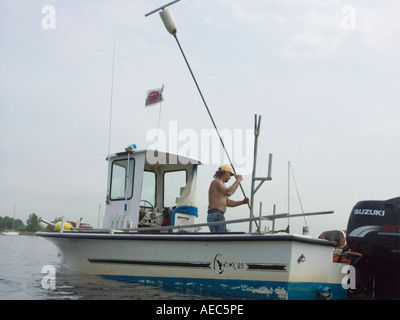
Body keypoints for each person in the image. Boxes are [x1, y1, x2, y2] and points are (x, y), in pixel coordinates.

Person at [207, 165, 249, 233]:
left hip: (218, 215)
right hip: (216, 214)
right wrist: (238, 181)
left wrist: (242, 202)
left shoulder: (222, 186)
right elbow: (229, 192)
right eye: (230, 175)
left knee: (222, 237)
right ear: (226, 173)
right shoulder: (216, 182)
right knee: (220, 239)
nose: (230, 178)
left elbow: (228, 202)